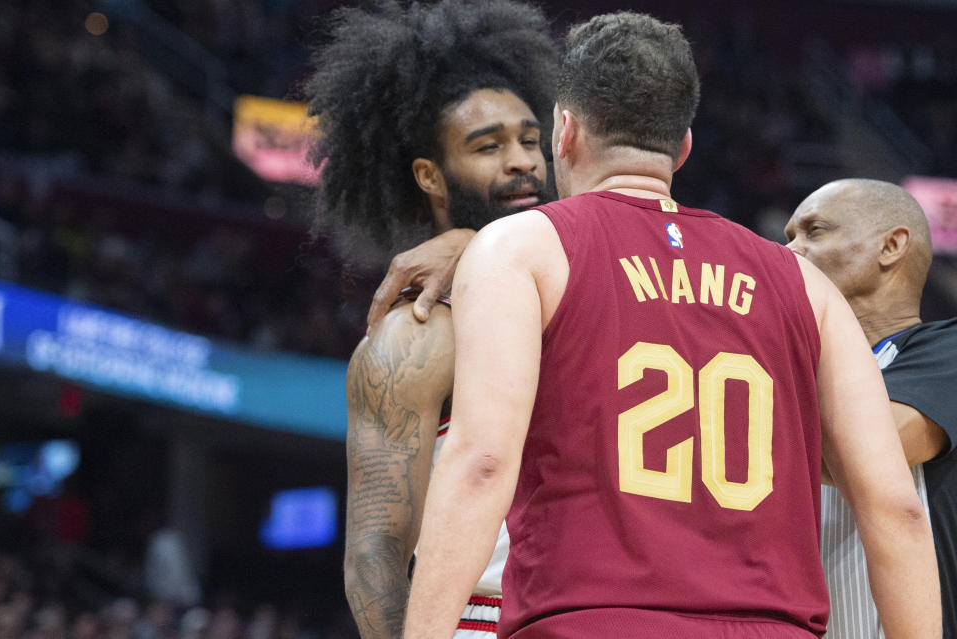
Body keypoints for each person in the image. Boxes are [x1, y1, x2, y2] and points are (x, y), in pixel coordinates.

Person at [402, 12, 940, 639]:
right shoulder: (804, 283)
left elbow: (483, 464)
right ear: (683, 145)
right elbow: (896, 508)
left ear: (565, 131)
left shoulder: (522, 248)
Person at [302, 2, 558, 638]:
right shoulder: (417, 333)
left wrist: (477, 247)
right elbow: (376, 551)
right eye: (488, 146)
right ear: (430, 176)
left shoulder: (582, 285)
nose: (522, 160)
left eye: (530, 140)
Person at [785, 178, 957, 639]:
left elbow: (871, 449)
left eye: (814, 231)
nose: (791, 251)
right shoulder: (794, 376)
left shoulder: (948, 349)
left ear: (892, 246)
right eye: (788, 238)